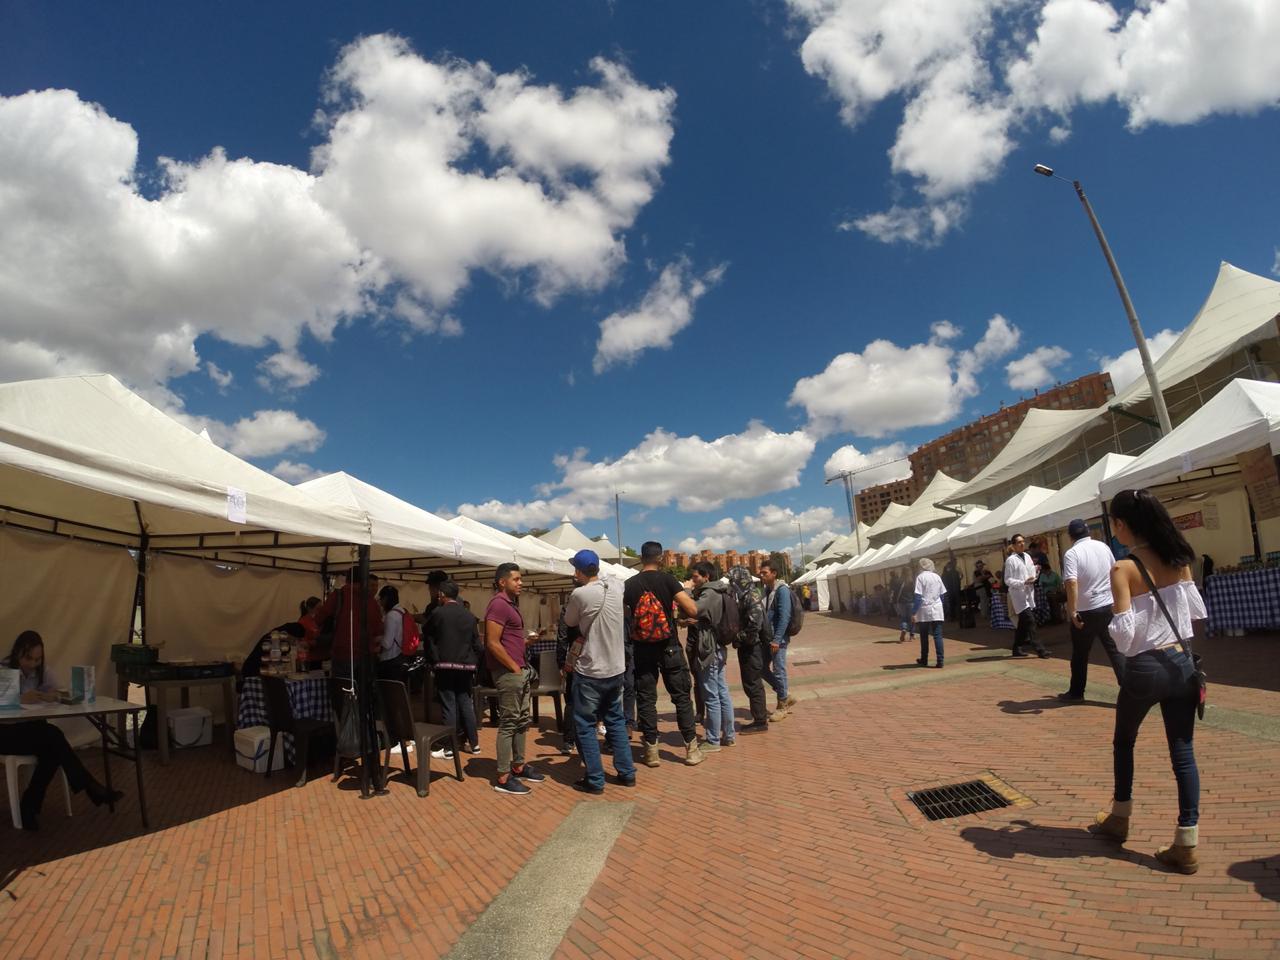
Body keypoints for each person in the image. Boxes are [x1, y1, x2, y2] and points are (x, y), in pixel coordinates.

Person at [1092, 489, 1206, 874]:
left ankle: (1120, 816)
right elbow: (1193, 613)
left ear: (1122, 525)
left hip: (1146, 667)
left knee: (1124, 740)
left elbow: (1123, 639)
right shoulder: (1179, 558)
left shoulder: (1123, 568)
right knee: (1183, 751)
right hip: (1182, 663)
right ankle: (1186, 840)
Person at [1, 631, 123, 830]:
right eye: (28, 658)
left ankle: (29, 807)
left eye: (37, 659)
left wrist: (51, 696)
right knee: (53, 737)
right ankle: (89, 786)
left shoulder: (43, 671)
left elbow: (56, 692)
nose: (32, 664)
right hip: (6, 733)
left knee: (52, 749)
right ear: (17, 654)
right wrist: (18, 699)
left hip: (31, 731)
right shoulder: (3, 670)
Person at [622, 542, 703, 767]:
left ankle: (651, 751)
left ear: (641, 557)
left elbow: (623, 614)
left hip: (642, 649)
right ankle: (691, 750)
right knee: (681, 698)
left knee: (646, 699)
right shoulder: (668, 580)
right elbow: (693, 609)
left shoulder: (629, 584)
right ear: (660, 558)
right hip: (669, 647)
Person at [562, 550, 636, 794]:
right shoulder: (615, 587)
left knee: (584, 725)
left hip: (591, 670)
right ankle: (627, 773)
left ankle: (595, 780)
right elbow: (612, 578)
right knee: (615, 720)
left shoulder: (579, 593)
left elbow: (570, 622)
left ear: (578, 571)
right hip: (616, 668)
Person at [484, 563, 545, 795]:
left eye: (521, 579)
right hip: (509, 673)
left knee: (521, 721)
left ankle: (518, 766)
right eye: (516, 579)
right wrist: (513, 668)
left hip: (518, 671)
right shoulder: (499, 605)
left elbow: (506, 639)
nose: (521, 583)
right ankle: (502, 776)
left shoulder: (509, 604)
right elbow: (492, 642)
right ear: (502, 582)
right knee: (509, 723)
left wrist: (524, 643)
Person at [1060, 519, 1125, 701]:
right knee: (1115, 650)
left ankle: (1076, 692)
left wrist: (1072, 611)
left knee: (1080, 654)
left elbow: (1071, 582)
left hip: (1086, 608)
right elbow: (1115, 570)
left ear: (1071, 536)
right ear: (1088, 531)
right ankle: (1130, 690)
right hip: (1107, 604)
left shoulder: (1072, 553)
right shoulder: (1102, 546)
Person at [424, 580, 481, 757]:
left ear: (441, 594)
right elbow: (477, 644)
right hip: (466, 665)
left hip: (445, 665)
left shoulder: (437, 613)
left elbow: (428, 635)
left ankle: (449, 748)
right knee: (465, 703)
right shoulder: (469, 616)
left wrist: (433, 660)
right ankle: (474, 744)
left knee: (448, 705)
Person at [684, 561, 735, 752]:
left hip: (710, 649)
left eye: (695, 576)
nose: (692, 580)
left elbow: (693, 608)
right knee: (722, 691)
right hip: (719, 646)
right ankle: (728, 735)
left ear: (706, 577)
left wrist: (687, 591)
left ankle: (713, 740)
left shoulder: (710, 592)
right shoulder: (721, 591)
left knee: (711, 694)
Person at [313, 568, 385, 679]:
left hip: (342, 652)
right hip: (366, 655)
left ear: (347, 579)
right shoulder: (371, 600)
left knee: (342, 689)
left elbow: (319, 619)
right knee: (363, 692)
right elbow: (378, 629)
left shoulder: (338, 595)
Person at [726, 565, 772, 732]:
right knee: (751, 683)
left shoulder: (750, 596)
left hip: (752, 647)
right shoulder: (745, 595)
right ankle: (759, 717)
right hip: (748, 646)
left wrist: (738, 638)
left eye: (733, 580)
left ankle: (760, 721)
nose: (732, 583)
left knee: (753, 683)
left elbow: (754, 626)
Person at [760, 558, 796, 720]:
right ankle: (785, 694)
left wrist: (777, 639)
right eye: (760, 573)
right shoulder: (767, 590)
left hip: (777, 638)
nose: (761, 576)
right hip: (768, 636)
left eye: (765, 573)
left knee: (779, 670)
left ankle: (782, 705)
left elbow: (784, 617)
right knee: (761, 667)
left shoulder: (782, 590)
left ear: (774, 573)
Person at [1004, 534, 1049, 658]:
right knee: (1030, 621)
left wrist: (1036, 571)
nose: (1022, 544)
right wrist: (1022, 583)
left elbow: (1030, 572)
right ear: (1013, 545)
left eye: (1023, 542)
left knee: (1023, 625)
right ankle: (1040, 649)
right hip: (1018, 594)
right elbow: (1007, 580)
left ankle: (1016, 648)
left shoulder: (1028, 556)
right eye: (1019, 542)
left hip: (1028, 592)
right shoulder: (1010, 560)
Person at [911, 558, 946, 668]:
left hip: (924, 608)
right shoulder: (937, 577)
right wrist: (940, 605)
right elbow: (942, 595)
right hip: (937, 607)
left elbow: (918, 596)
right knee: (938, 635)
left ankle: (924, 658)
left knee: (924, 636)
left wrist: (914, 612)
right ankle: (940, 660)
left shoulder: (920, 577)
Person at [376, 585, 408, 682]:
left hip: (390, 661)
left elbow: (387, 643)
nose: (380, 602)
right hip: (400, 657)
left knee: (388, 692)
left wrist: (377, 639)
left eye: (381, 599)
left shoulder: (391, 616)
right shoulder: (402, 611)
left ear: (385, 599)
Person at [296, 597, 321, 669]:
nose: (320, 611)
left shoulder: (319, 620)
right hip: (308, 659)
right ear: (310, 609)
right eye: (318, 608)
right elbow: (301, 643)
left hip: (319, 657)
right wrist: (314, 642)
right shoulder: (302, 622)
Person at [892, 568, 913, 643]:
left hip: (901, 602)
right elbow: (914, 592)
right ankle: (911, 635)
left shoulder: (898, 581)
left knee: (903, 618)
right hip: (910, 602)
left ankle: (904, 629)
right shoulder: (911, 581)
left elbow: (895, 593)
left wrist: (895, 601)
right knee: (911, 619)